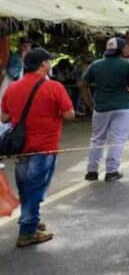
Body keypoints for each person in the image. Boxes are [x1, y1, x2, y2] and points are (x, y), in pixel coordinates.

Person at [1, 48, 75, 247]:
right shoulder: (54, 87)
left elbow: (4, 117)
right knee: (35, 189)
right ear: (43, 64)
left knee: (26, 187)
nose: (50, 64)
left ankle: (31, 218)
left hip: (20, 147)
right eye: (49, 61)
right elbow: (69, 114)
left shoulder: (12, 88)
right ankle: (27, 231)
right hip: (44, 147)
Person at [80, 37, 129, 182]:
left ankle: (92, 171)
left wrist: (90, 104)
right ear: (121, 49)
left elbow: (83, 84)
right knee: (117, 139)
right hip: (123, 106)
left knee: (96, 139)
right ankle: (111, 171)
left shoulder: (96, 65)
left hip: (101, 107)